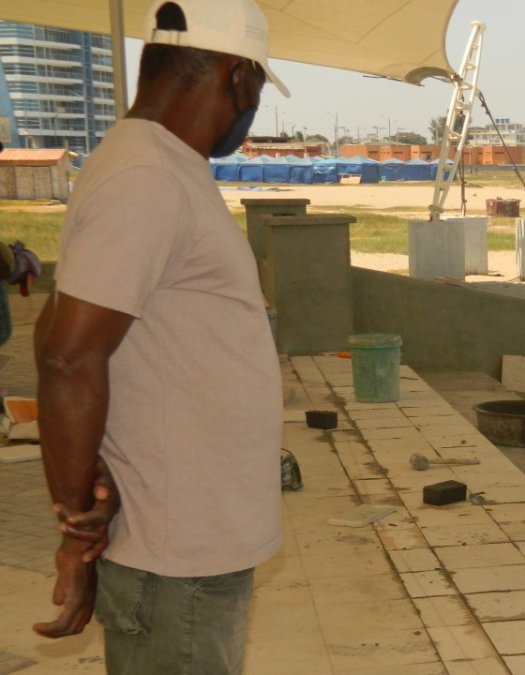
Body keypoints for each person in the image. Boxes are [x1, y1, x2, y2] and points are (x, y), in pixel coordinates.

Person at [32, 0, 289, 671]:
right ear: (237, 77)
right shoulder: (148, 176)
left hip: (193, 541)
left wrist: (81, 490)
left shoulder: (152, 163)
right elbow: (66, 354)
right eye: (257, 86)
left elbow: (51, 325)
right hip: (179, 553)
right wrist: (77, 523)